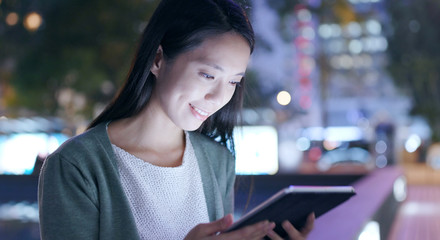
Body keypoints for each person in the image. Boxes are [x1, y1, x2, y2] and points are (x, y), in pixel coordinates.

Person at [38, 0, 315, 239]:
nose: (218, 97)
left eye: (233, 82)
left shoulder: (218, 161)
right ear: (158, 59)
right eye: (207, 75)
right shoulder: (76, 165)